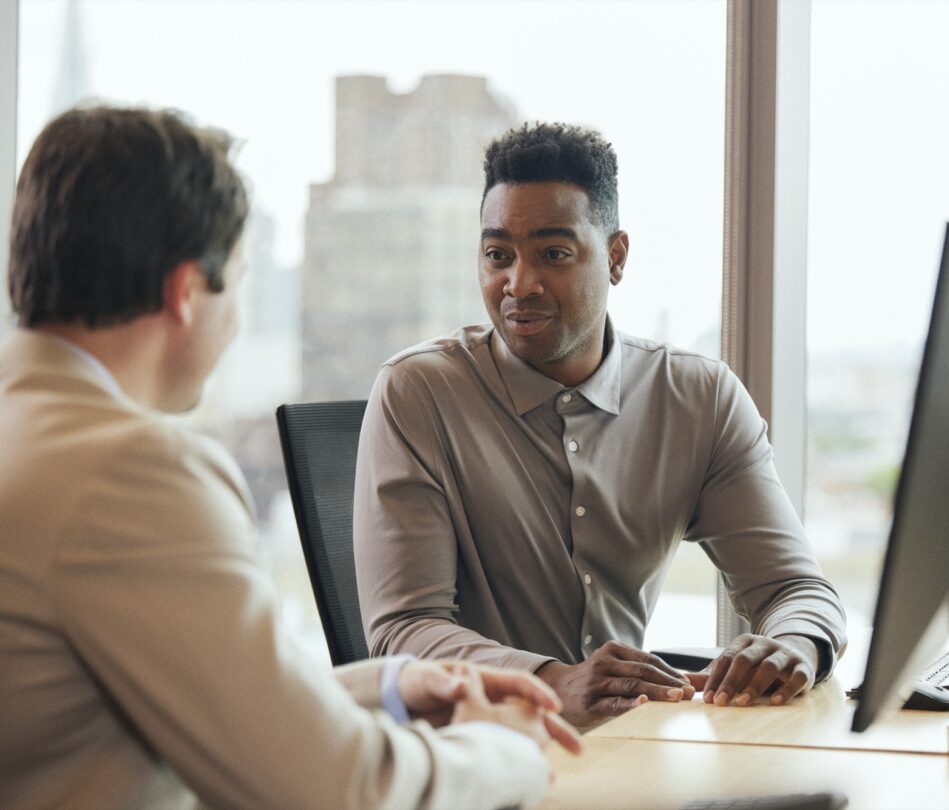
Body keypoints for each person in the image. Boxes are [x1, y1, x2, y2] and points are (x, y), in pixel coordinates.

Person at [0, 106, 579, 810]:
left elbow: (209, 694)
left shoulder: (29, 435)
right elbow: (339, 790)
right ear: (186, 292)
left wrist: (390, 687)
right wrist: (510, 747)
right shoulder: (129, 471)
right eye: (240, 278)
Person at [354, 122, 847, 728]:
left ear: (615, 257)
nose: (519, 284)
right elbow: (403, 629)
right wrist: (553, 681)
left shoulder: (699, 397)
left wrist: (795, 644)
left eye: (553, 254)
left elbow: (796, 589)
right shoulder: (419, 391)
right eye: (497, 255)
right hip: (472, 756)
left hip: (625, 748)